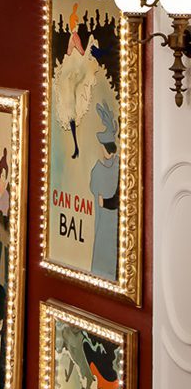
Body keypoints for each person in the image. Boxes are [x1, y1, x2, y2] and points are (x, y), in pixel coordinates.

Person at [89, 103, 120, 279]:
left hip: (106, 225)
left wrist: (104, 202)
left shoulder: (100, 170)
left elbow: (94, 186)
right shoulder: (116, 167)